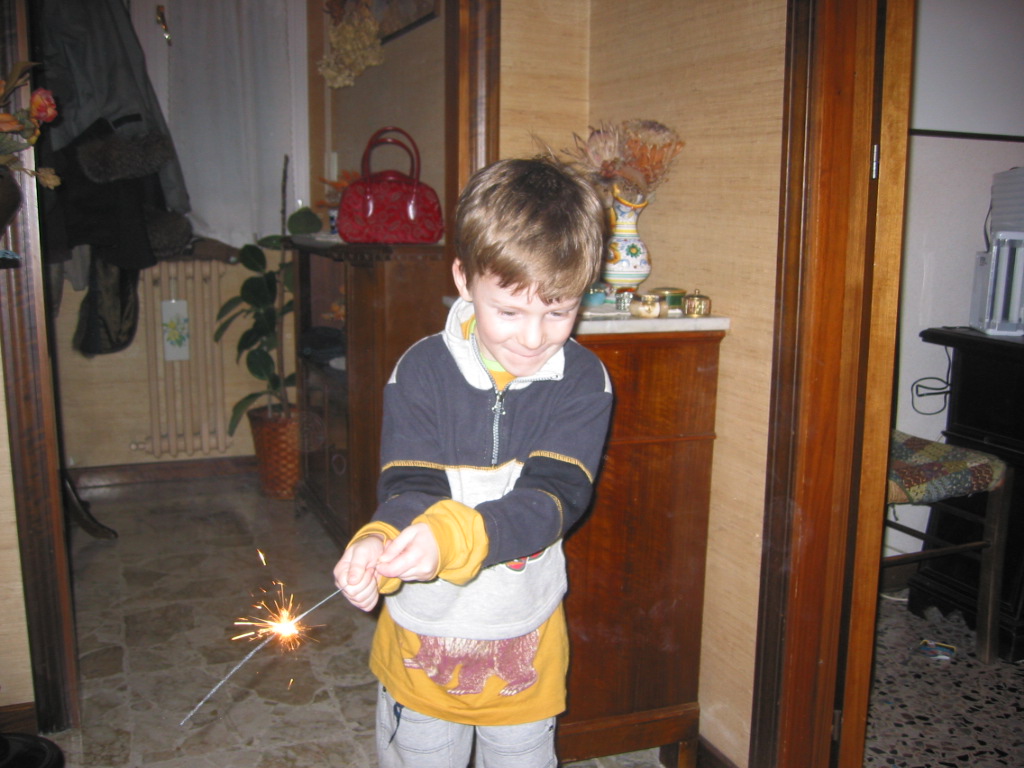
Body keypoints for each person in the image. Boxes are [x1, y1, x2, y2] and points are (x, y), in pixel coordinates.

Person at [332, 155, 613, 768]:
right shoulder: (420, 371)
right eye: (509, 311)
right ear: (464, 279)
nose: (534, 338)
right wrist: (378, 540)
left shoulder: (583, 380)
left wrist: (452, 537)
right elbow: (408, 487)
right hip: (420, 649)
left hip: (524, 649)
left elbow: (553, 499)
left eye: (559, 310)